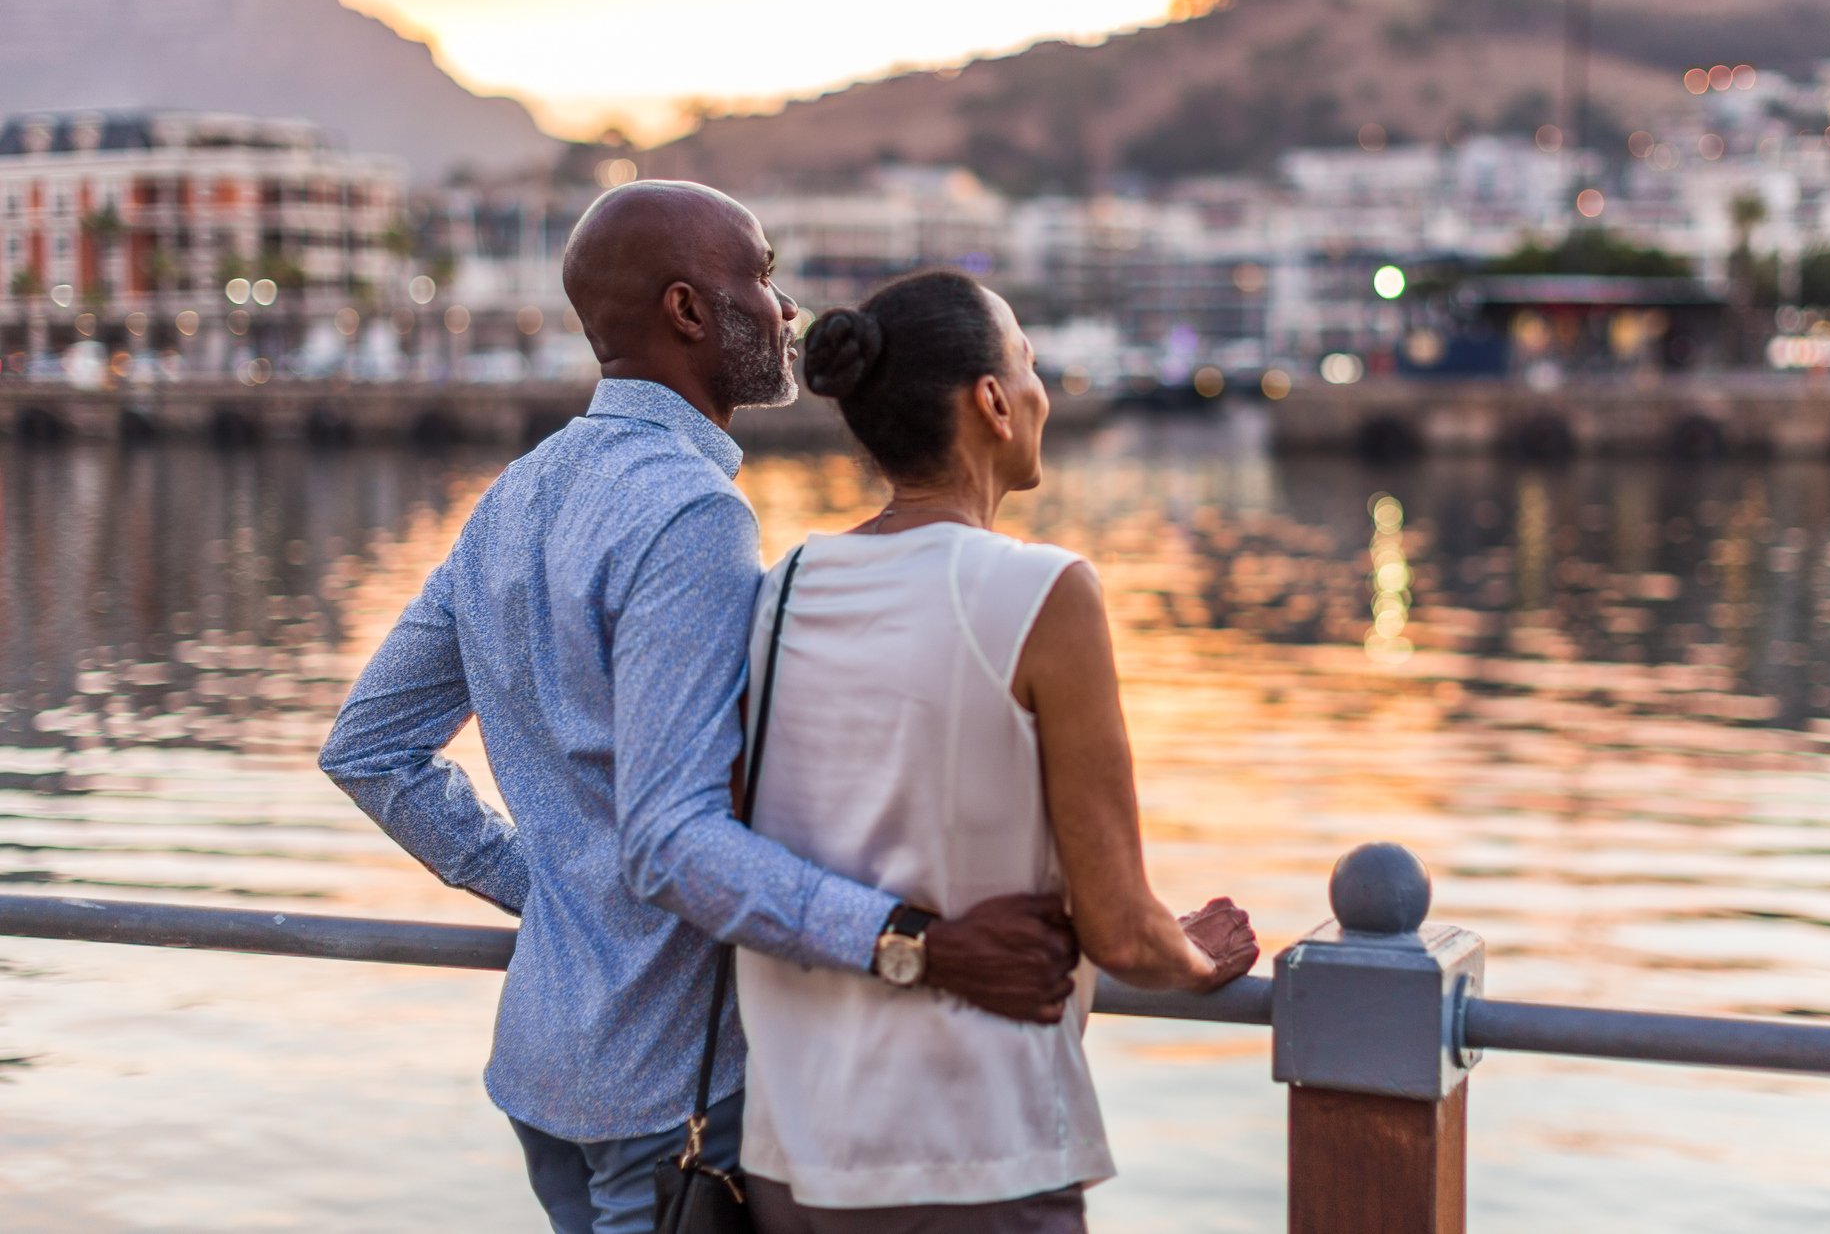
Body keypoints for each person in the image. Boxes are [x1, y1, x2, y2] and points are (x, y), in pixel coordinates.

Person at [316, 184, 1080, 1234]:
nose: (786, 310)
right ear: (686, 310)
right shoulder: (691, 515)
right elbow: (673, 841)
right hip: (670, 1099)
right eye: (761, 277)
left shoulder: (516, 494)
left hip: (544, 1071)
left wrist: (555, 894)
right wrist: (916, 943)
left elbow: (370, 748)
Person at [735, 269, 1261, 1233]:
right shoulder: (1043, 591)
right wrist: (1190, 955)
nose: (1039, 390)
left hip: (790, 1154)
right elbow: (1116, 926)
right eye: (1026, 363)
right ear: (990, 403)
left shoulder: (782, 588)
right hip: (968, 1155)